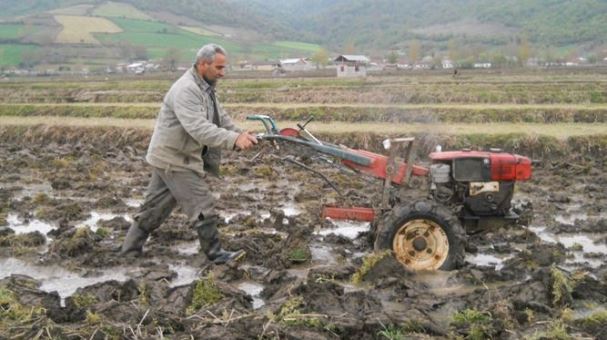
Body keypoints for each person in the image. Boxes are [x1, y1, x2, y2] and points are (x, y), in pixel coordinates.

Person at [120, 43, 258, 264]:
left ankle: (128, 252)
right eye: (219, 68)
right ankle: (214, 255)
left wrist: (241, 134)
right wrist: (234, 140)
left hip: (170, 156)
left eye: (224, 68)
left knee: (154, 209)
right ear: (203, 64)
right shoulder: (187, 90)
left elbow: (220, 119)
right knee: (202, 205)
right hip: (175, 159)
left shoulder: (205, 87)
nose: (223, 73)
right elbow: (198, 128)